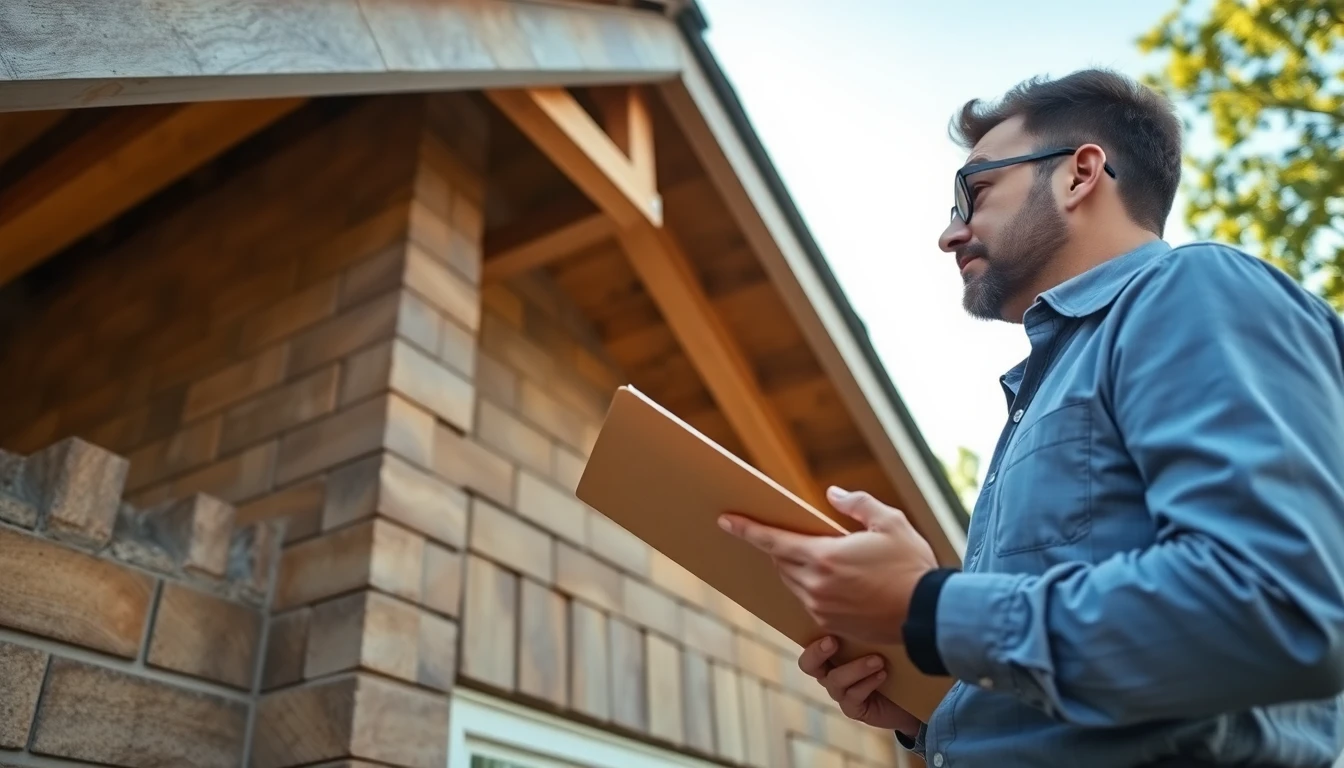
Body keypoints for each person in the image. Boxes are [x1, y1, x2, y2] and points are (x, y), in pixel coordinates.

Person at [717, 68, 1344, 767]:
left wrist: (926, 608)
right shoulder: (1043, 389)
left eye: (974, 192)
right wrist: (935, 702)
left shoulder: (1194, 291)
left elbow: (1278, 611)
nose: (950, 234)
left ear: (1080, 174)